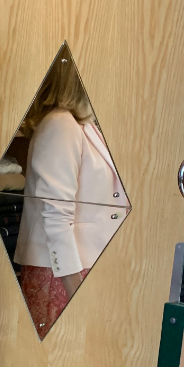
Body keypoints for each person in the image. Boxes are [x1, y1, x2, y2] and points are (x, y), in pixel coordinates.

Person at [14, 56, 127, 338]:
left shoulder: (85, 125)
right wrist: (76, 291)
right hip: (64, 275)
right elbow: (56, 217)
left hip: (82, 270)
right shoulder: (60, 125)